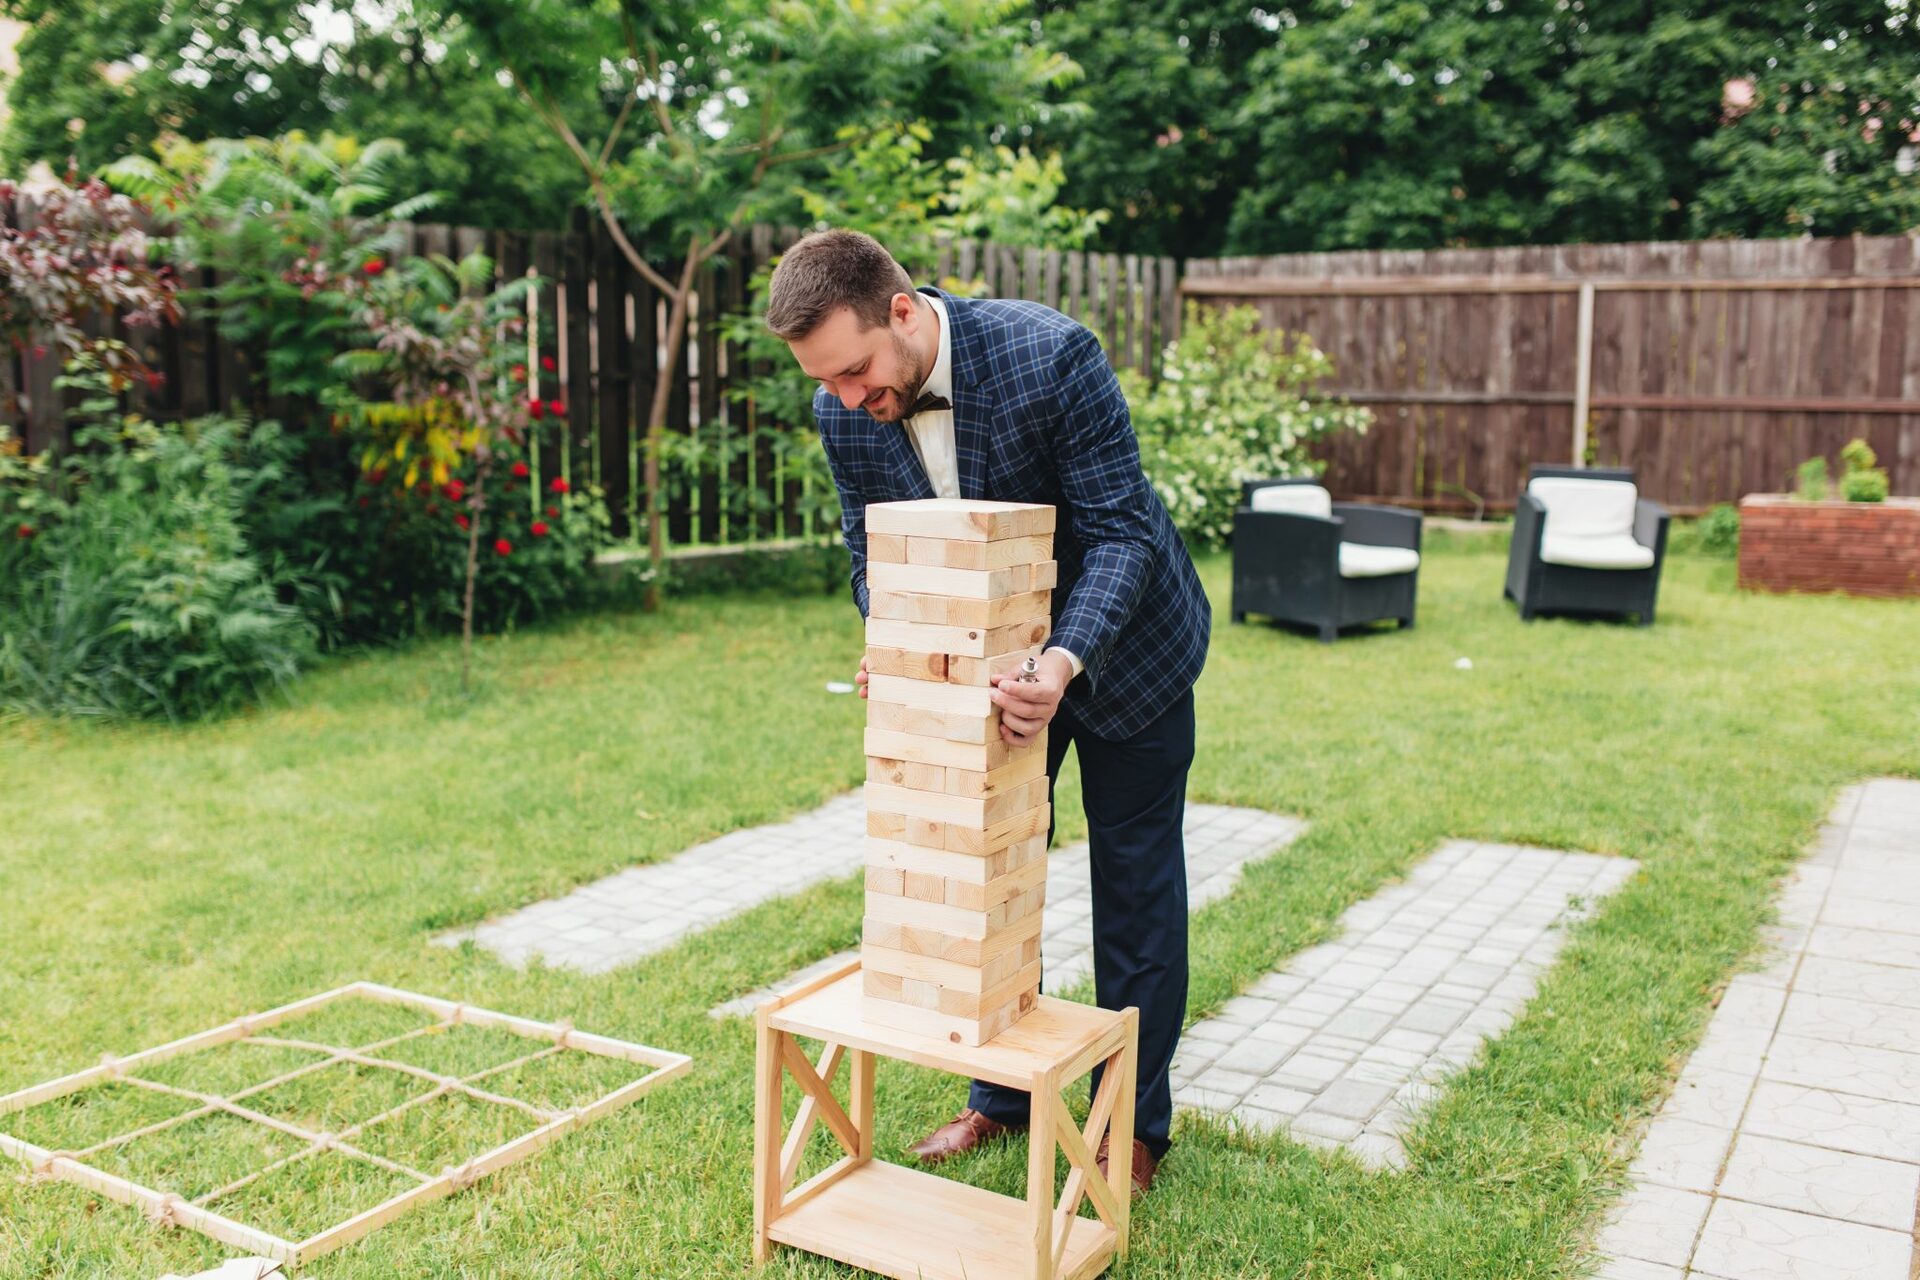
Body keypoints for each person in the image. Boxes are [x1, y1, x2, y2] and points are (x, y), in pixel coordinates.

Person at [765, 229, 1210, 1197]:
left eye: (855, 370)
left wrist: (1060, 662)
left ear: (903, 311)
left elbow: (1123, 535)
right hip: (984, 679)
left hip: (1127, 655)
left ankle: (1127, 1126)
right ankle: (1001, 1096)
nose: (846, 397)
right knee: (983, 869)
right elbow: (871, 554)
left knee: (1133, 894)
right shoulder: (842, 413)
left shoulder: (1052, 356)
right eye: (825, 380)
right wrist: (898, 649)